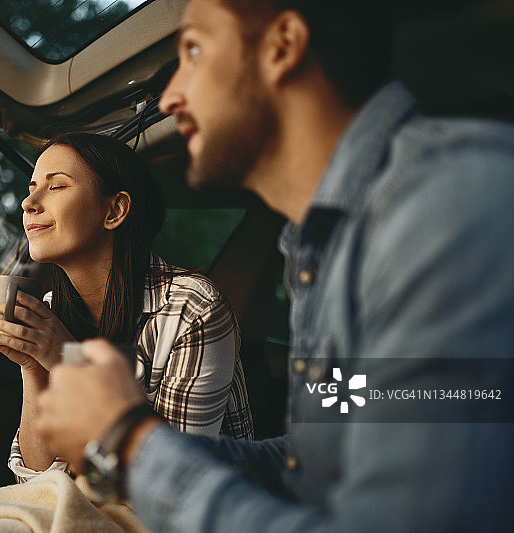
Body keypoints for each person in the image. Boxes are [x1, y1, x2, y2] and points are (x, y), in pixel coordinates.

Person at [33, 1, 514, 531]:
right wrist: (132, 440)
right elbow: (312, 466)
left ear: (282, 46)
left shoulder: (447, 207)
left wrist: (129, 441)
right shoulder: (323, 245)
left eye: (193, 49)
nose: (169, 97)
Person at [0, 132, 253, 482]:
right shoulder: (51, 313)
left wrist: (65, 359)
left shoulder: (192, 309)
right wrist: (33, 365)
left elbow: (174, 478)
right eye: (31, 188)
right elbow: (35, 479)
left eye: (56, 186)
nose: (28, 202)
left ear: (114, 210)